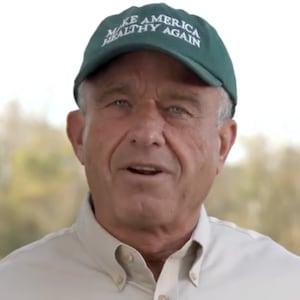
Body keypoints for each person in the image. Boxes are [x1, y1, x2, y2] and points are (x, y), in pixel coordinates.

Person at [0, 3, 300, 299]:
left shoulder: (286, 285)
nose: (146, 134)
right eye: (120, 103)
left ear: (222, 145)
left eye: (178, 109)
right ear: (79, 135)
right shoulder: (12, 287)